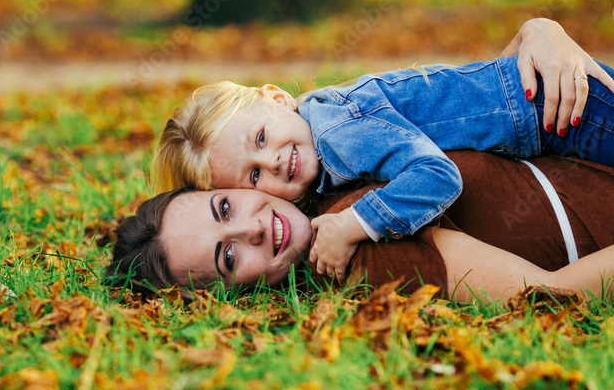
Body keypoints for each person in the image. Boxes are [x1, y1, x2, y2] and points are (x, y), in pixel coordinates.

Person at [150, 19, 614, 281]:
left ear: (275, 97)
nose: (271, 161)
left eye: (260, 139)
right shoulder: (323, 139)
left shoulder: (336, 134)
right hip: (550, 118)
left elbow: (439, 175)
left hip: (565, 112)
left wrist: (353, 225)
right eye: (253, 176)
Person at [106, 150, 614, 304]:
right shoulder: (360, 256)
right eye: (229, 257)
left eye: (223, 209)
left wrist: (535, 35)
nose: (251, 230)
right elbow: (553, 295)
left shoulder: (324, 165)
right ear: (233, 295)